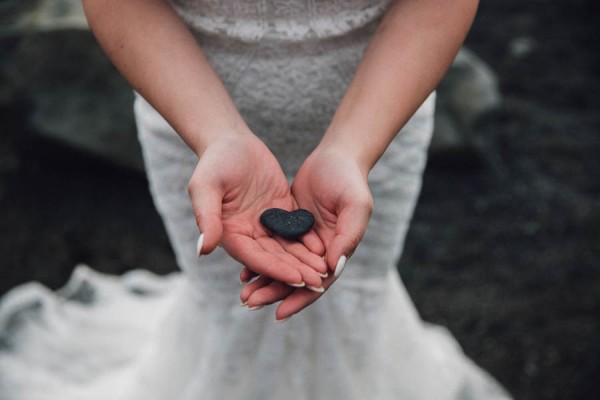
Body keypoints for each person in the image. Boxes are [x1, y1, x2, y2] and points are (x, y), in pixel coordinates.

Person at [0, 0, 513, 399]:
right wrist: (217, 137)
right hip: (191, 114)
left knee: (357, 292)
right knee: (225, 303)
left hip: (380, 117)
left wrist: (351, 151)